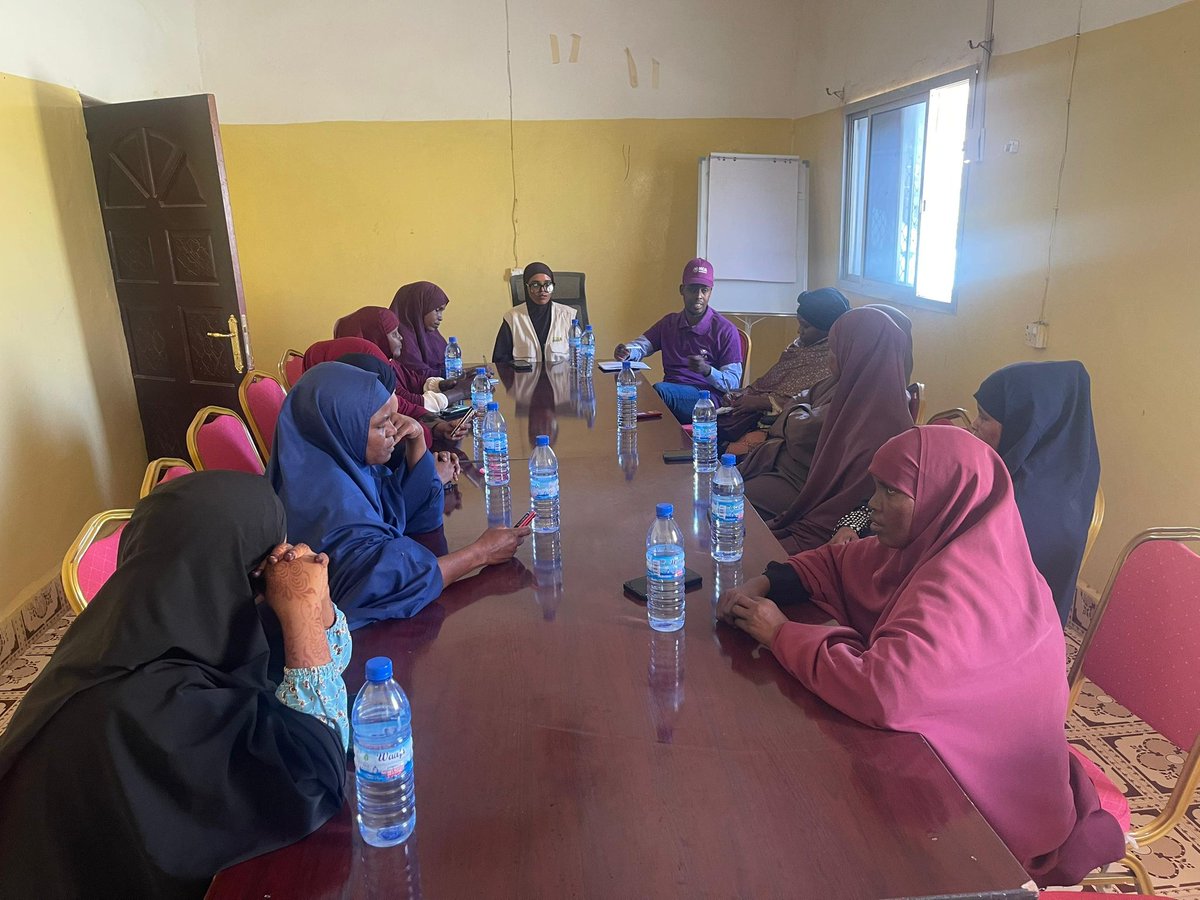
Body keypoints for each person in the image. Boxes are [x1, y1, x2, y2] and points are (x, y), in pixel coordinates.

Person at [717, 427, 1125, 887]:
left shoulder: (963, 590)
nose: (873, 503)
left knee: (835, 839)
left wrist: (780, 634)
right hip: (970, 767)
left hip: (990, 815)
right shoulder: (940, 544)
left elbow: (886, 693)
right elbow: (836, 563)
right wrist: (767, 583)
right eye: (876, 486)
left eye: (892, 491)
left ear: (942, 498)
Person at [0, 472, 348, 897]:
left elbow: (322, 666)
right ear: (248, 573)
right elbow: (314, 774)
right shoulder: (147, 706)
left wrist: (316, 607)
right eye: (270, 563)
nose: (285, 566)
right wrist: (303, 614)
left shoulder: (161, 617)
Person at [267, 361, 528, 629]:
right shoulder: (332, 502)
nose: (393, 431)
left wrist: (416, 437)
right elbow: (393, 580)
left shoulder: (335, 465)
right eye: (381, 425)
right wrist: (482, 552)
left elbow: (407, 506)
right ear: (344, 428)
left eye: (393, 420)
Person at [742, 306, 913, 552]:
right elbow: (800, 400)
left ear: (855, 353)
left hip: (810, 490)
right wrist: (796, 408)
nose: (829, 358)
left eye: (834, 350)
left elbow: (799, 429)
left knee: (728, 504)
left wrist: (793, 410)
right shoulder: (843, 382)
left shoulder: (878, 408)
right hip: (794, 471)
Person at [970, 360, 1101, 626]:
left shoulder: (1018, 506)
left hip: (1002, 632)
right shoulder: (1065, 472)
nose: (973, 425)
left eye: (983, 417)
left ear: (1023, 425)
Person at [614, 257, 743, 423]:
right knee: (632, 392)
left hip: (705, 400)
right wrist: (627, 352)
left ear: (710, 291)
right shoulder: (669, 323)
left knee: (657, 393)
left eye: (704, 290)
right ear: (682, 290)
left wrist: (707, 370)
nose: (698, 296)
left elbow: (733, 383)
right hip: (671, 393)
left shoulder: (725, 330)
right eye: (693, 289)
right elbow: (642, 346)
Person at [719, 287, 850, 444]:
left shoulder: (834, 359)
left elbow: (812, 407)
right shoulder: (798, 348)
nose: (799, 331)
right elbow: (769, 384)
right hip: (755, 418)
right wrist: (741, 395)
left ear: (828, 329)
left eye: (805, 326)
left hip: (784, 432)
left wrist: (760, 403)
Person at [334, 306, 458, 412]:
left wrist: (441, 385)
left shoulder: (390, 363)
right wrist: (459, 392)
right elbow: (406, 402)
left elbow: (416, 381)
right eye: (394, 334)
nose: (401, 337)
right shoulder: (370, 371)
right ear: (377, 338)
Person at [492, 262, 576, 365]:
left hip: (561, 379)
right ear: (526, 287)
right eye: (535, 285)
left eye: (548, 285)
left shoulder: (569, 316)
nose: (542, 290)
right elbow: (500, 363)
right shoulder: (512, 318)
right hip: (524, 379)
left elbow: (580, 358)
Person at [390, 280, 451, 381]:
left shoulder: (433, 336)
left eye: (442, 311)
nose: (440, 318)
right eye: (437, 310)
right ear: (419, 307)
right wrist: (463, 374)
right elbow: (418, 375)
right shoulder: (399, 338)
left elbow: (448, 367)